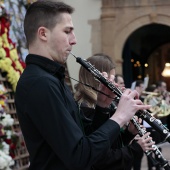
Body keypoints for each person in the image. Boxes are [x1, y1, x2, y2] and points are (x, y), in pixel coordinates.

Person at [14, 1, 151, 169]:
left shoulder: (52, 79)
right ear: (43, 33)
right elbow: (79, 156)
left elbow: (88, 142)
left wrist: (102, 106)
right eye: (67, 31)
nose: (74, 40)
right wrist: (120, 116)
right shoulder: (40, 83)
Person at [74, 53, 154, 170]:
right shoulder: (86, 108)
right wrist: (135, 149)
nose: (115, 85)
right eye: (111, 79)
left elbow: (111, 141)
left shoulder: (104, 104)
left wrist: (129, 133)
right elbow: (101, 157)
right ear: (97, 79)